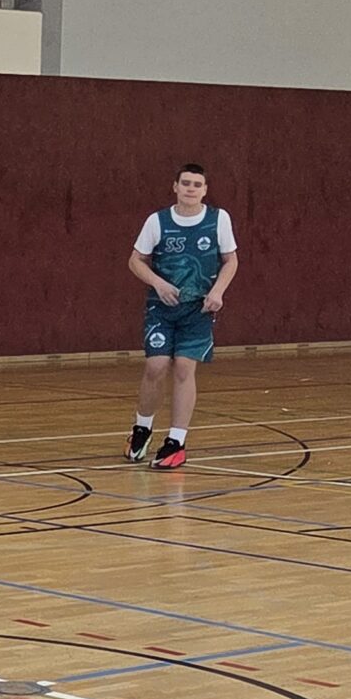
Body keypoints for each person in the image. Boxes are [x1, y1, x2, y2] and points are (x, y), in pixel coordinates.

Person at [126, 163, 239, 470]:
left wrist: (218, 292)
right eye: (186, 183)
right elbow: (135, 260)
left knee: (185, 367)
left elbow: (230, 260)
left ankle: (176, 441)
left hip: (197, 308)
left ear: (205, 190)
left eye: (197, 184)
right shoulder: (158, 221)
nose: (191, 188)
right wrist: (158, 283)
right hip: (161, 307)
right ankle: (141, 428)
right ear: (175, 186)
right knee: (156, 365)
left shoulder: (218, 219)